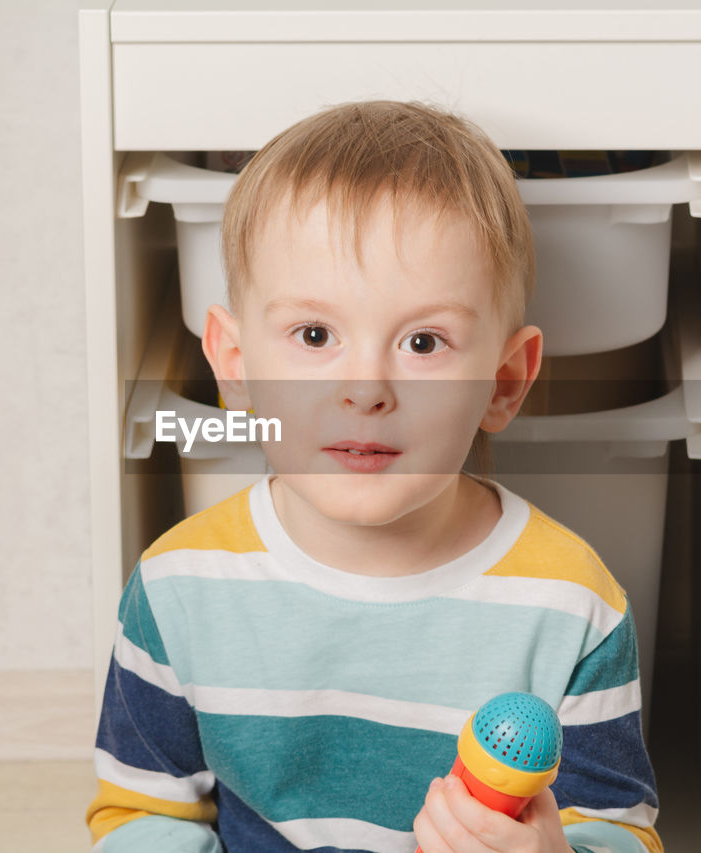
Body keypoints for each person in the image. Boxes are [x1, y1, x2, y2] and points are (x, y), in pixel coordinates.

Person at [86, 100, 661, 853]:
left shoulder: (572, 604)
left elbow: (620, 832)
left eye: (424, 341)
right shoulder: (176, 587)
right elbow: (141, 815)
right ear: (234, 365)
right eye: (315, 334)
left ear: (504, 381)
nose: (365, 387)